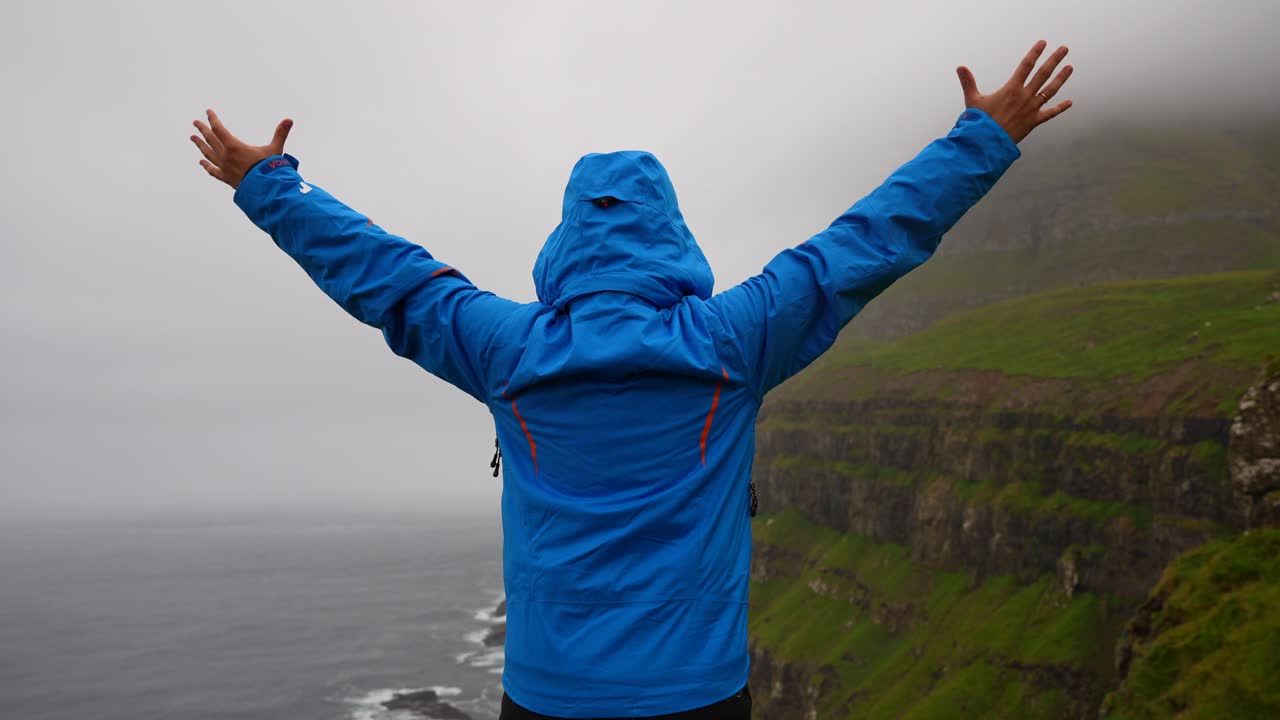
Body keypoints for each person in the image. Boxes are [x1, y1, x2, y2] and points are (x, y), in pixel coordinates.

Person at [191, 41, 1072, 720]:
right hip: (700, 693)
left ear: (565, 239)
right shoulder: (736, 338)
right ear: (672, 232)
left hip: (548, 695)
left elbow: (386, 275)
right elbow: (865, 243)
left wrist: (267, 183)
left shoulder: (503, 346)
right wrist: (983, 139)